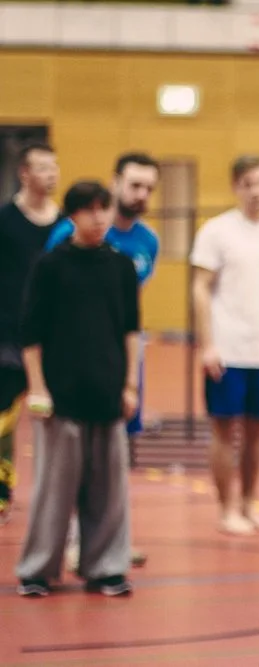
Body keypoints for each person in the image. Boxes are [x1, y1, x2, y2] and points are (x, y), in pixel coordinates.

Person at [15, 180, 138, 598]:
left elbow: (130, 331)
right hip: (61, 397)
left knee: (109, 492)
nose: (99, 217)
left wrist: (129, 385)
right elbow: (30, 335)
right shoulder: (51, 266)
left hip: (107, 393)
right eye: (90, 210)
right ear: (72, 216)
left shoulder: (121, 267)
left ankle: (105, 568)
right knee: (54, 491)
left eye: (104, 209)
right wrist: (38, 388)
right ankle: (38, 570)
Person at [48, 152, 160, 570]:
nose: (141, 194)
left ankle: (110, 539)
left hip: (122, 358)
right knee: (75, 456)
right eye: (134, 185)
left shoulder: (148, 241)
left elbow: (131, 310)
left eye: (149, 187)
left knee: (118, 451)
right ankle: (74, 540)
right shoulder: (69, 234)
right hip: (76, 360)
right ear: (115, 183)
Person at [191, 154, 259, 537]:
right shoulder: (217, 231)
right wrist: (208, 344)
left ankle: (249, 503)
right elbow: (201, 287)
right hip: (227, 348)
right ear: (236, 187)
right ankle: (226, 509)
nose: (255, 191)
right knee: (225, 431)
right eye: (247, 184)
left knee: (258, 432)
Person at [0, 142, 60, 525]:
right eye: (43, 168)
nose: (51, 174)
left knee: (55, 420)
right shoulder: (5, 220)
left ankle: (55, 497)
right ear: (24, 173)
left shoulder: (65, 225)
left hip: (54, 339)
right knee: (4, 419)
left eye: (55, 167)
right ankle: (3, 491)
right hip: (7, 337)